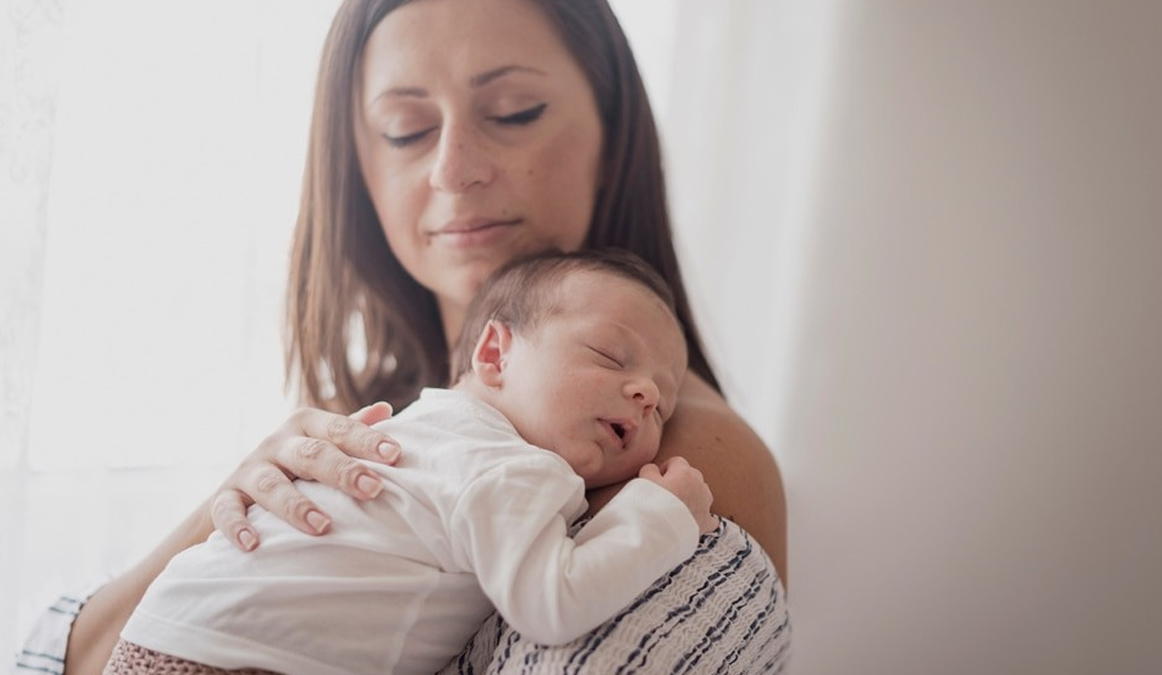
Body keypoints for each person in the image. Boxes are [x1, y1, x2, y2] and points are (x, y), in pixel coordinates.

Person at [16, 0, 790, 673]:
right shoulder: (375, 421)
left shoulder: (675, 457)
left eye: (515, 112)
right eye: (405, 128)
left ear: (612, 139)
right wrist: (222, 512)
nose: (454, 169)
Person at [101, 249, 716, 675]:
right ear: (495, 355)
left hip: (165, 630)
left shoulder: (422, 428)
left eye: (663, 405)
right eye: (610, 356)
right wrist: (662, 513)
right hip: (241, 658)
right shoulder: (512, 464)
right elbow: (554, 603)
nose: (647, 394)